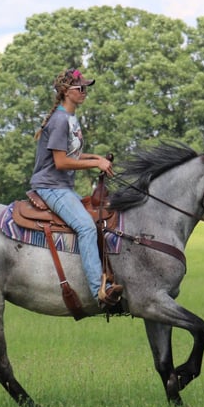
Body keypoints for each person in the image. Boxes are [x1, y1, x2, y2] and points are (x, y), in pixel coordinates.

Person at [30, 68, 124, 308]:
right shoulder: (60, 120)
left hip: (62, 186)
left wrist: (95, 158)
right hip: (51, 186)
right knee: (86, 227)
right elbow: (61, 162)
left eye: (86, 88)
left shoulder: (71, 118)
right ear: (65, 91)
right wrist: (95, 163)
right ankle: (98, 292)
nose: (85, 92)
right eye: (80, 88)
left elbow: (73, 153)